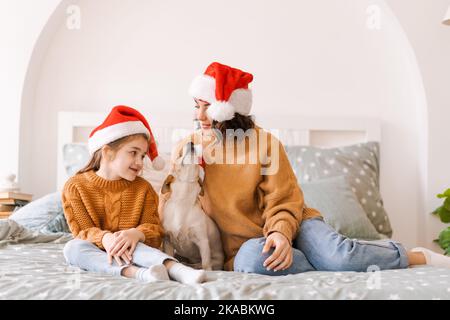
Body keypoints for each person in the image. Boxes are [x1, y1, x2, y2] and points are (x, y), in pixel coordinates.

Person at [164, 61, 450, 275]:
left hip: (295, 224)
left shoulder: (265, 143)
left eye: (206, 106)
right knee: (252, 263)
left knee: (340, 258)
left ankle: (415, 256)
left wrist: (279, 233)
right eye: (196, 105)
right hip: (249, 246)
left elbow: (284, 198)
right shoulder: (186, 148)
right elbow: (170, 198)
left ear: (226, 109)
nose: (198, 115)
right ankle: (318, 260)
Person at [62, 105, 207, 284]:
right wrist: (105, 238)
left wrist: (136, 234)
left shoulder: (143, 189)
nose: (139, 162)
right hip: (97, 252)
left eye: (143, 156)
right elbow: (82, 232)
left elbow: (154, 231)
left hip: (135, 250)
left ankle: (177, 269)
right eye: (133, 153)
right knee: (72, 248)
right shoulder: (76, 186)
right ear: (107, 152)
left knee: (136, 245)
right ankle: (138, 274)